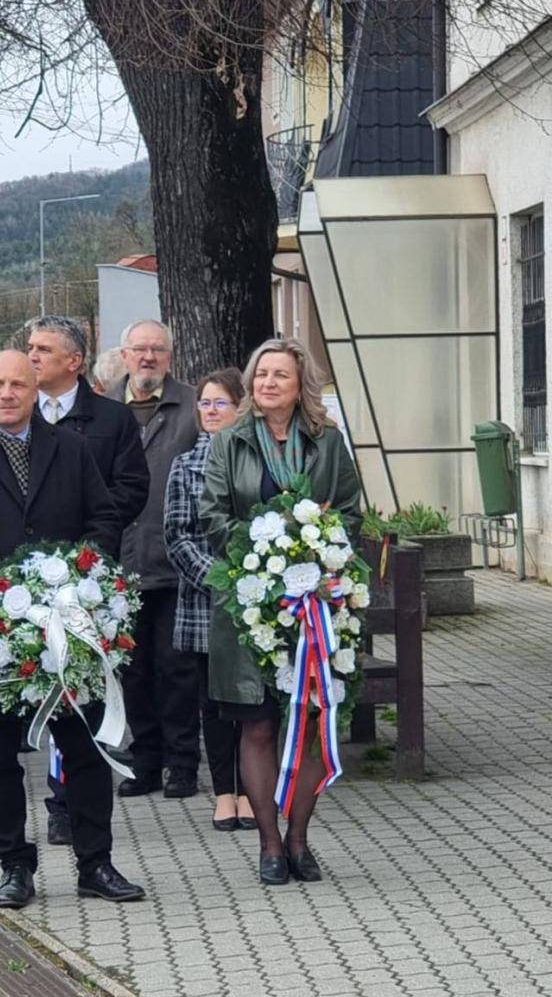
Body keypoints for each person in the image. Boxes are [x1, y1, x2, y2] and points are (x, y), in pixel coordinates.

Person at [0, 351, 145, 909]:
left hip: (67, 624)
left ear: (35, 387)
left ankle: (96, 864)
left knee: (85, 749)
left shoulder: (73, 449)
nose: (8, 394)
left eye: (18, 383)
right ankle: (14, 865)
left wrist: (78, 576)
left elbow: (105, 518)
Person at [199, 338, 362, 886]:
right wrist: (263, 561)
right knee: (261, 725)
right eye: (261, 374)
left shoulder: (328, 442)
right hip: (250, 607)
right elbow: (214, 515)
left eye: (281, 376)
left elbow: (349, 512)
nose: (268, 383)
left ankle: (299, 839)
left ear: (300, 387)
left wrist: (319, 557)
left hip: (316, 606)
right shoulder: (228, 442)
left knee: (313, 723)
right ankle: (269, 844)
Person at [26, 315, 150, 846]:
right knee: (38, 685)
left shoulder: (111, 419)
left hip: (89, 578)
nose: (32, 357)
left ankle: (77, 805)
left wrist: (86, 541)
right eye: (28, 348)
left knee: (84, 691)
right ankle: (40, 801)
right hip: (26, 581)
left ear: (74, 362)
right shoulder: (17, 416)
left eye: (42, 349)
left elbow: (132, 489)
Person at [108, 320, 200, 798]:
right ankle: (144, 760)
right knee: (133, 669)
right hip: (120, 566)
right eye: (139, 349)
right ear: (124, 356)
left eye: (157, 350)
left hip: (173, 563)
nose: (148, 358)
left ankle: (182, 762)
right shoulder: (103, 407)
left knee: (177, 669)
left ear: (170, 356)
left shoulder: (191, 406)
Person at [164, 368, 256, 832]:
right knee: (214, 704)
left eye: (221, 403)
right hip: (208, 603)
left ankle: (253, 790)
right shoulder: (184, 466)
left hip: (257, 599)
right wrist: (219, 579)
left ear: (240, 408)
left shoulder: (257, 462)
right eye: (204, 403)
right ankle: (224, 792)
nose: (211, 412)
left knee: (253, 704)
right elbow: (177, 536)